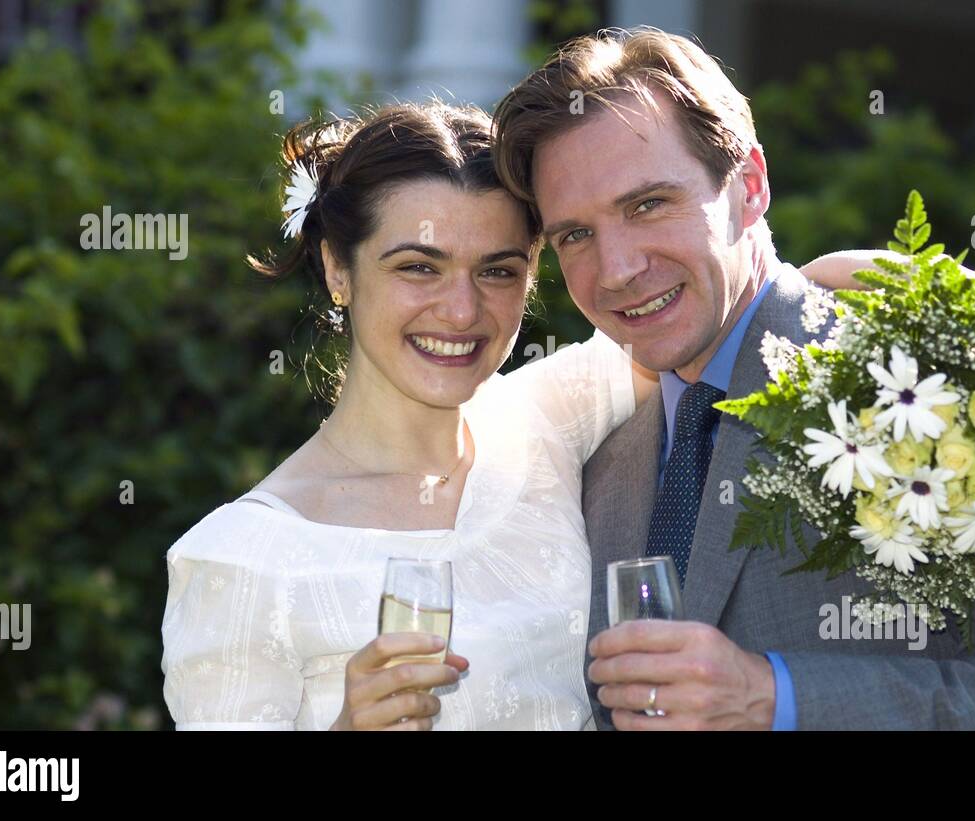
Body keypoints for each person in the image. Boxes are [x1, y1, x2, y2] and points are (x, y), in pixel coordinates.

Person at [492, 27, 975, 730]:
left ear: (750, 186)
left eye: (647, 205)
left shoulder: (933, 378)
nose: (615, 268)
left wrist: (775, 697)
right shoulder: (600, 469)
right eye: (575, 235)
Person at [160, 100, 867, 730]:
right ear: (338, 269)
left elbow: (716, 307)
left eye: (497, 270)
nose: (462, 311)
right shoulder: (237, 559)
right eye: (418, 267)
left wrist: (873, 284)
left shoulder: (545, 419)